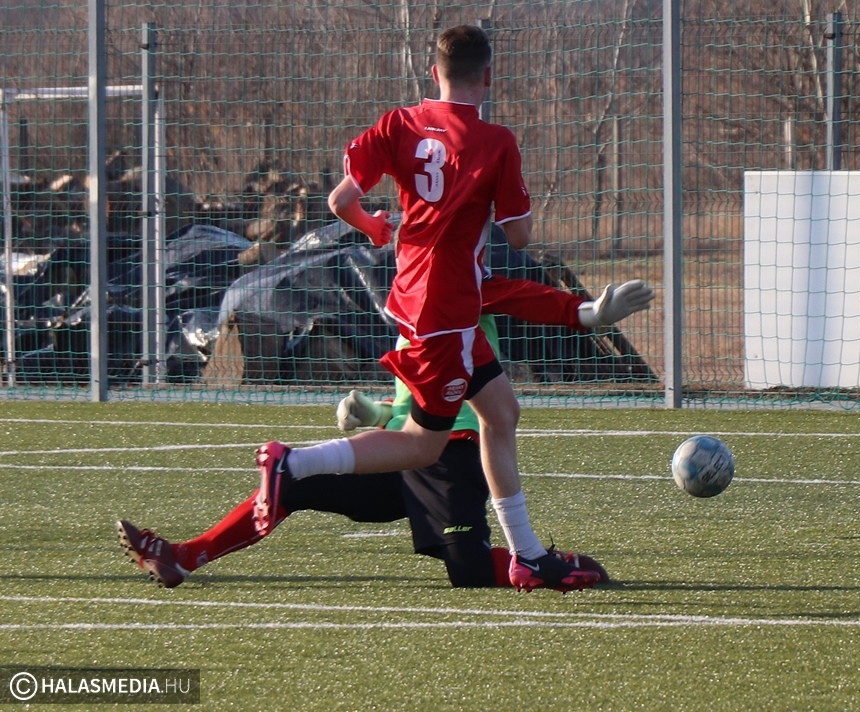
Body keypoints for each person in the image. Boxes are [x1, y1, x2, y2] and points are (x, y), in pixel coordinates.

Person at [250, 24, 641, 592]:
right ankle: (294, 464)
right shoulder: (494, 141)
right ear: (489, 76)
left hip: (418, 296)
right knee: (422, 442)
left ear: (434, 73)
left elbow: (340, 201)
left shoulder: (398, 123)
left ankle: (527, 555)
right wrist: (504, 199)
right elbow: (520, 237)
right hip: (447, 310)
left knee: (501, 413)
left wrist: (375, 227)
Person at [115, 279, 653, 589]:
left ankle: (550, 563)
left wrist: (586, 312)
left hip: (451, 454)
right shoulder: (406, 298)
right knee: (290, 488)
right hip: (400, 454)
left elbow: (516, 295)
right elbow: (415, 403)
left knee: (468, 572)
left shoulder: (455, 281)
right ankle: (185, 556)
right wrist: (375, 413)